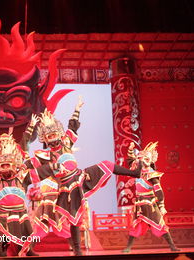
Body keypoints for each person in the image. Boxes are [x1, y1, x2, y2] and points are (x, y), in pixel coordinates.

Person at [21, 97, 142, 256]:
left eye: (54, 134)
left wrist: (77, 109)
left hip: (81, 178)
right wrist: (30, 129)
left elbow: (72, 127)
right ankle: (77, 251)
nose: (52, 138)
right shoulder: (44, 155)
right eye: (48, 136)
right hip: (65, 188)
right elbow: (27, 160)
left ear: (58, 133)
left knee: (106, 164)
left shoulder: (66, 143)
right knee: (74, 219)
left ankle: (134, 172)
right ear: (44, 138)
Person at [0, 133, 62, 257]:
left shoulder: (23, 176)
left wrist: (54, 166)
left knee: (24, 241)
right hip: (1, 214)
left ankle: (28, 251)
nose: (5, 168)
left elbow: (40, 172)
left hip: (20, 214)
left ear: (14, 164)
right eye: (3, 165)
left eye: (8, 165)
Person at [122, 141, 180, 253]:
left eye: (145, 158)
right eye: (141, 158)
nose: (142, 160)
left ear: (150, 160)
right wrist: (130, 150)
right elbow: (130, 162)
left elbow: (159, 191)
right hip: (139, 204)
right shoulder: (137, 171)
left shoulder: (152, 174)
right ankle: (128, 247)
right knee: (136, 225)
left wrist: (162, 205)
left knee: (160, 224)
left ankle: (172, 246)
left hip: (150, 203)